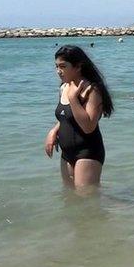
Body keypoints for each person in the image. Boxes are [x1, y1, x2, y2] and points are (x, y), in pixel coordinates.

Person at [45, 45, 114, 189]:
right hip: (66, 152)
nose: (58, 71)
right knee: (71, 198)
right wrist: (53, 131)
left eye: (63, 66)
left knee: (87, 198)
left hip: (87, 150)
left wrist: (73, 98)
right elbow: (66, 117)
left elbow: (88, 126)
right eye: (56, 66)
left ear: (78, 66)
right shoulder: (64, 87)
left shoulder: (92, 90)